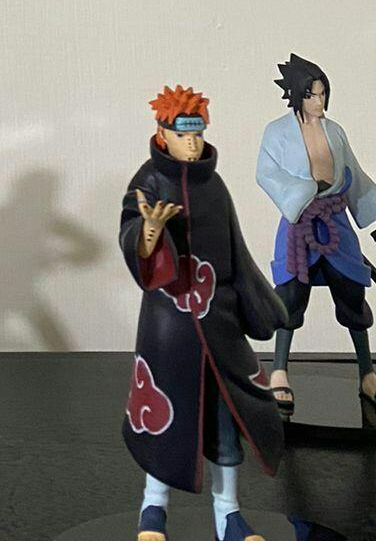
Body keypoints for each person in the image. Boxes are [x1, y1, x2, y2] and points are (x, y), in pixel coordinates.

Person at [122, 85, 286, 541]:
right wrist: (149, 233)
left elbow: (236, 249)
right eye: (183, 135)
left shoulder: (214, 186)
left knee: (227, 419)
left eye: (198, 133)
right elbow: (133, 236)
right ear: (163, 134)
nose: (192, 143)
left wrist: (255, 301)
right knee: (165, 418)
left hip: (220, 321)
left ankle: (228, 512)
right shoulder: (148, 183)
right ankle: (153, 507)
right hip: (169, 326)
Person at [257, 54, 376, 416]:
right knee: (290, 295)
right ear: (296, 95)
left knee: (352, 293)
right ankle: (279, 371)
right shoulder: (277, 132)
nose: (319, 101)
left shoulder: (335, 131)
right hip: (299, 223)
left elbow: (355, 175)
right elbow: (267, 174)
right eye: (311, 95)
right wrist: (303, 190)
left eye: (323, 93)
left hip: (336, 220)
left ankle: (367, 374)